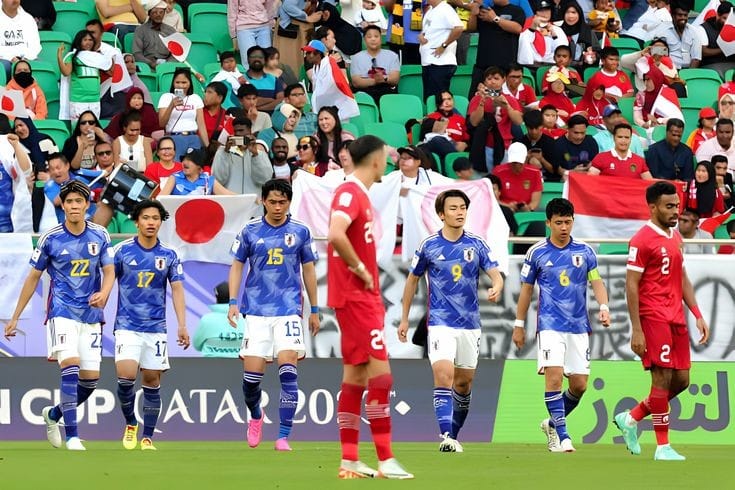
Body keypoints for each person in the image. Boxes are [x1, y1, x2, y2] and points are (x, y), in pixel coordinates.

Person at [4, 181, 115, 451]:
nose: (75, 206)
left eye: (79, 202)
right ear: (63, 206)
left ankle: (53, 414)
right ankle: (72, 436)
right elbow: (33, 278)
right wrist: (15, 316)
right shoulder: (51, 238)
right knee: (71, 367)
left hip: (91, 314)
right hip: (61, 312)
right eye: (70, 202)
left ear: (87, 205)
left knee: (89, 382)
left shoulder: (100, 234)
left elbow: (110, 271)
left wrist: (104, 293)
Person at [327, 135, 413, 479]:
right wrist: (361, 269)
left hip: (361, 298)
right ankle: (386, 458)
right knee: (382, 378)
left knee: (356, 378)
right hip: (356, 297)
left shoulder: (358, 194)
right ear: (376, 160)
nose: (387, 164)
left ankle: (349, 459)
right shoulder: (349, 192)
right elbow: (335, 233)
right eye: (385, 159)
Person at [398, 189, 503, 451]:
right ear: (441, 214)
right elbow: (412, 281)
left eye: (463, 208)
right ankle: (445, 435)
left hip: (469, 325)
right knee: (443, 375)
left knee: (463, 384)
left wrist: (497, 285)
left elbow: (495, 273)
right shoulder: (429, 246)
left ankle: (453, 434)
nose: (459, 213)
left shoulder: (476, 244)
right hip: (440, 322)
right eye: (453, 208)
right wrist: (404, 319)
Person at [614, 181, 709, 461]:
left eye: (677, 206)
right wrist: (637, 329)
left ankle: (631, 418)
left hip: (675, 316)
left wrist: (698, 314)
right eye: (669, 206)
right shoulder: (641, 240)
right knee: (662, 377)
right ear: (652, 207)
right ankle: (663, 447)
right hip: (653, 315)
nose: (675, 212)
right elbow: (631, 285)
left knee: (682, 381)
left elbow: (681, 276)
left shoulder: (674, 236)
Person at [228, 179, 319, 451]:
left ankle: (282, 436)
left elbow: (309, 270)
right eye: (272, 201)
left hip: (289, 310)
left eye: (283, 202)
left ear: (289, 202)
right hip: (255, 311)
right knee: (251, 380)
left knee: (288, 371)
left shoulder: (301, 231)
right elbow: (236, 266)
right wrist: (233, 302)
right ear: (263, 201)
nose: (278, 207)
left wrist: (314, 309)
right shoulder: (250, 230)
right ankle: (256, 415)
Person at [513, 197, 611, 452]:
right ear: (548, 223)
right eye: (559, 223)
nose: (564, 227)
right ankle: (564, 436)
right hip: (550, 325)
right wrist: (519, 324)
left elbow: (596, 282)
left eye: (568, 222)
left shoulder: (585, 251)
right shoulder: (536, 252)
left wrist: (604, 307)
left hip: (579, 326)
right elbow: (526, 291)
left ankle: (552, 424)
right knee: (554, 379)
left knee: (579, 385)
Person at [113, 199, 190, 451]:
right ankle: (130, 423)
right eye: (146, 218)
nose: (150, 222)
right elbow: (106, 278)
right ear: (137, 221)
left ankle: (147, 438)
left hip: (156, 328)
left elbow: (177, 289)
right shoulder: (122, 251)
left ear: (160, 222)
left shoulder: (169, 254)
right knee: (125, 378)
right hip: (126, 325)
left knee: (151, 381)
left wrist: (182, 324)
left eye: (155, 218)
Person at [467, 0, 525, 99]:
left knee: (502, 101)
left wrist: (495, 18)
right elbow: (471, 28)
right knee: (477, 100)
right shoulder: (485, 10)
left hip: (505, 67)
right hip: (483, 67)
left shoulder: (516, 10)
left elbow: (517, 28)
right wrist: (473, 13)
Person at [58, 29, 114, 122]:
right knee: (78, 129)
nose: (88, 42)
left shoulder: (97, 57)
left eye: (90, 40)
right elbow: (66, 72)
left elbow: (110, 72)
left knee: (92, 129)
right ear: (79, 41)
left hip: (95, 99)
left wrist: (110, 55)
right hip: (78, 99)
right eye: (85, 40)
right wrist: (59, 56)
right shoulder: (72, 56)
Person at [157, 67, 209, 161]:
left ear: (189, 83)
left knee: (194, 167)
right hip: (174, 138)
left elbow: (201, 125)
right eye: (177, 82)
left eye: (184, 82)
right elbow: (162, 123)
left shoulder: (195, 98)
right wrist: (171, 106)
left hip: (193, 137)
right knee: (176, 168)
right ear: (173, 83)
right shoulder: (166, 97)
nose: (180, 86)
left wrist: (207, 146)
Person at [212, 117, 272, 195]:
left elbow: (265, 179)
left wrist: (255, 154)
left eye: (241, 130)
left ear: (250, 131)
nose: (238, 134)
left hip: (253, 204)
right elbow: (217, 180)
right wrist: (226, 152)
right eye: (235, 131)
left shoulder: (259, 153)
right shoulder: (222, 152)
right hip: (231, 202)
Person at [418, 0, 464, 102]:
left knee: (438, 100)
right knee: (430, 100)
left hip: (441, 63)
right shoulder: (430, 9)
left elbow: (459, 28)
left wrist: (444, 45)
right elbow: (428, 30)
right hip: (428, 61)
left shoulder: (445, 9)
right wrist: (421, 36)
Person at [350, 25, 400, 106]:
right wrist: (375, 81)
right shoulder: (356, 58)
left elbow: (395, 79)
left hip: (386, 90)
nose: (373, 39)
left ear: (381, 38)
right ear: (364, 40)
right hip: (365, 92)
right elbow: (356, 82)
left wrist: (384, 78)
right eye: (369, 37)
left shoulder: (392, 56)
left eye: (376, 36)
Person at [492, 142, 542, 212]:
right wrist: (507, 206)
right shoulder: (498, 172)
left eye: (520, 163)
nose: (517, 166)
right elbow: (492, 198)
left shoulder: (535, 172)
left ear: (526, 158)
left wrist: (529, 208)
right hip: (503, 209)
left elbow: (535, 200)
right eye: (514, 162)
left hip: (527, 209)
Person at [649, 2, 701, 69]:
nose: (683, 18)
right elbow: (657, 56)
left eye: (685, 15)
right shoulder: (663, 31)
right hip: (668, 69)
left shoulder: (693, 31)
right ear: (672, 16)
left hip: (688, 70)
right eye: (680, 15)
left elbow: (696, 59)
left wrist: (689, 75)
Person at [159, 149, 233, 196]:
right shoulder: (174, 177)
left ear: (199, 168)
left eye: (190, 160)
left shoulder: (208, 180)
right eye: (184, 159)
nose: (185, 162)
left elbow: (229, 196)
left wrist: (244, 199)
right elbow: (161, 199)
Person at [517, 0, 568, 66]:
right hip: (531, 66)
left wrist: (553, 33)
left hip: (553, 65)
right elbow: (524, 42)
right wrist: (533, 28)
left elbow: (562, 48)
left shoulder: (557, 29)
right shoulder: (527, 27)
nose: (544, 13)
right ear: (535, 13)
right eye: (541, 10)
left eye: (547, 10)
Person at [0, 0, 41, 78]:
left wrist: (24, 59)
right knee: (5, 67)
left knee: (40, 66)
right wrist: (11, 58)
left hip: (26, 59)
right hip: (4, 59)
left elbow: (35, 46)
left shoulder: (28, 19)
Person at [132, 1, 177, 70]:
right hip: (147, 66)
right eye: (155, 12)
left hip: (166, 66)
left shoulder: (171, 31)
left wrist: (167, 64)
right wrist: (151, 64)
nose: (158, 15)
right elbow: (137, 54)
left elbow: (176, 54)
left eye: (161, 12)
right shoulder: (140, 30)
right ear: (149, 14)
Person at [228, 0, 273, 69]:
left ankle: (265, 80)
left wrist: (270, 26)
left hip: (264, 26)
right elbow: (232, 10)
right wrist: (233, 36)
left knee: (267, 61)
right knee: (249, 62)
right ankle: (250, 79)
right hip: (244, 27)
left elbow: (269, 7)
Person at [551, 114, 599, 179]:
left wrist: (591, 166)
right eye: (576, 133)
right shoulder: (558, 145)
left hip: (588, 178)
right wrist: (572, 172)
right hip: (568, 179)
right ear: (567, 129)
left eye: (583, 133)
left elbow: (596, 164)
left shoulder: (591, 141)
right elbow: (557, 169)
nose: (580, 137)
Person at [244, 45, 285, 113]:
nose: (257, 59)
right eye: (253, 57)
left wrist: (258, 108)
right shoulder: (241, 79)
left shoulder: (274, 79)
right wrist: (271, 100)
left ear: (265, 60)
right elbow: (245, 103)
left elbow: (281, 100)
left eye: (260, 57)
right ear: (248, 59)